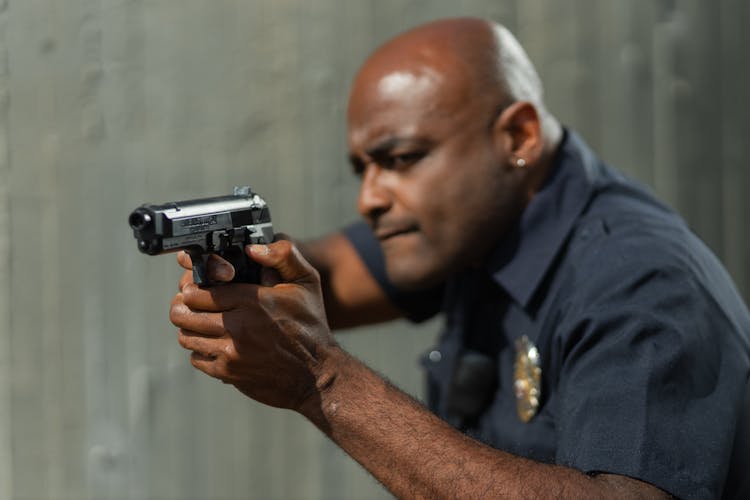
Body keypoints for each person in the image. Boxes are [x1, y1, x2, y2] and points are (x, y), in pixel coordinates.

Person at [169, 17, 750, 499]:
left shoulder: (640, 281)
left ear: (518, 136)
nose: (370, 197)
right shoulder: (474, 225)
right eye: (363, 168)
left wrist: (322, 381)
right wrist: (241, 260)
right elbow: (325, 277)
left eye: (401, 159)